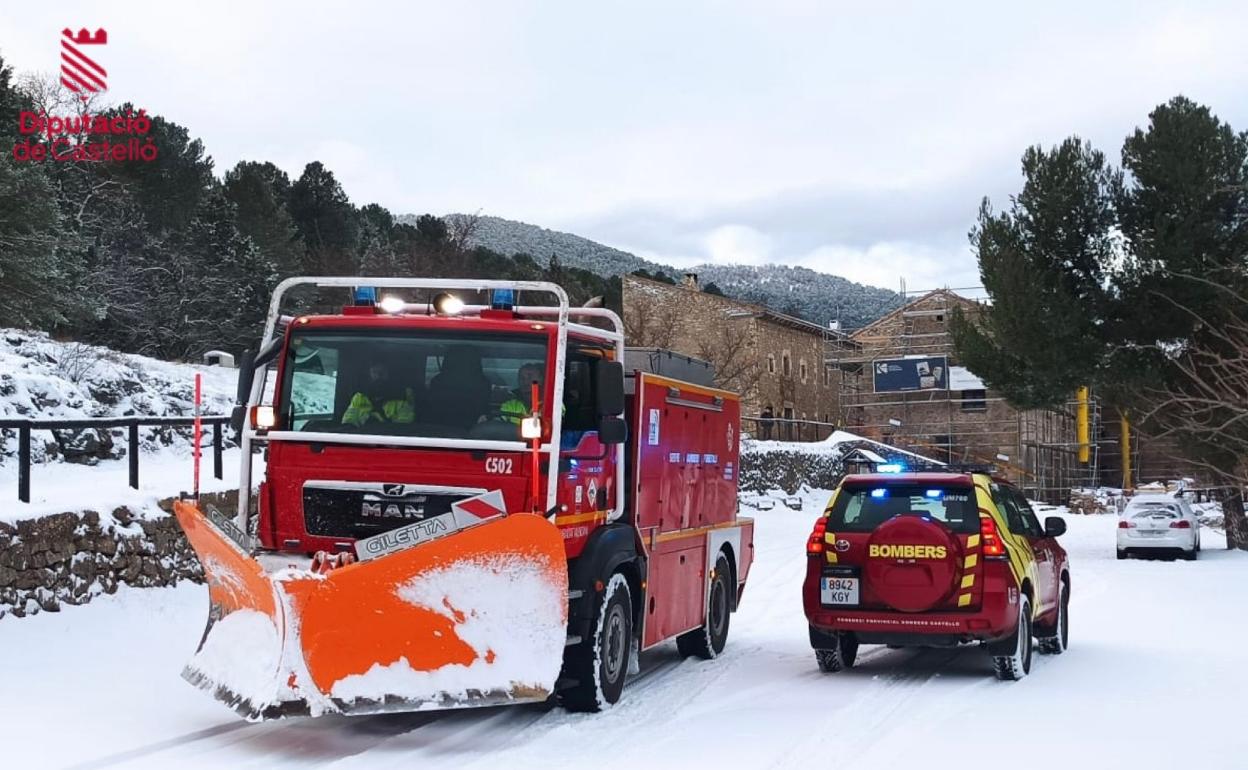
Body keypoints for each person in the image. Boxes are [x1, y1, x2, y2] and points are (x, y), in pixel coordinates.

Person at [341, 362, 416, 426]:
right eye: (374, 372)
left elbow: (403, 429)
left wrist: (379, 420)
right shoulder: (359, 397)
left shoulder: (402, 399)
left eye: (382, 372)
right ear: (369, 374)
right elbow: (348, 423)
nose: (378, 376)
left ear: (389, 374)